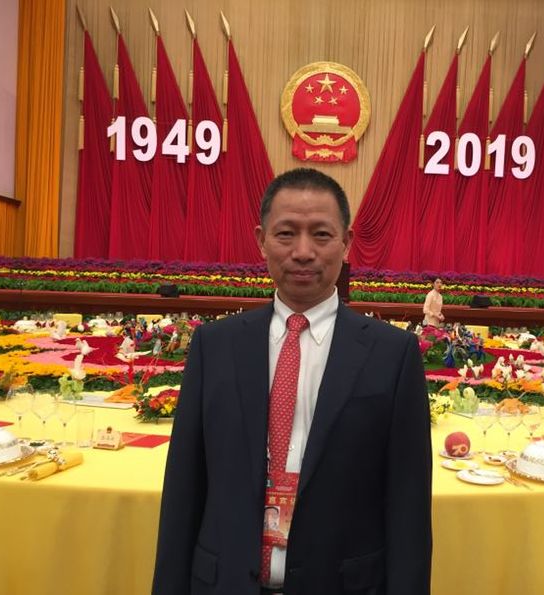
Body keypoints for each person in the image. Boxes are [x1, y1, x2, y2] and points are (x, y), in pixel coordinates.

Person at [152, 168, 432, 595]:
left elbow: (408, 507)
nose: (303, 252)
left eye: (321, 235)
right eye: (286, 234)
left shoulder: (393, 355)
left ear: (347, 242)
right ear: (261, 239)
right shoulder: (215, 346)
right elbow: (183, 492)